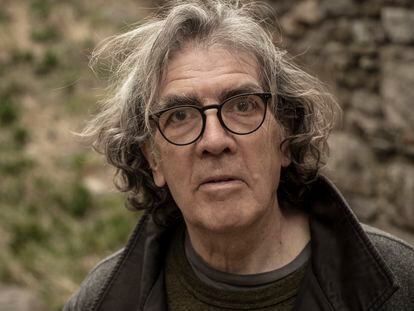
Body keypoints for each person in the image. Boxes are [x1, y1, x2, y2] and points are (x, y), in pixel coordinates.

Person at [64, 0, 414, 310]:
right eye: (180, 116)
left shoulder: (401, 286)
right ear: (154, 159)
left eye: (243, 105)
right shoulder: (100, 300)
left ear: (285, 135)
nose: (214, 140)